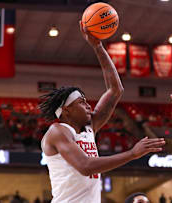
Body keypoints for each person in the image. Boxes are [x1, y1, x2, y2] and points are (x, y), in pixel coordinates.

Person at [39, 20, 165, 203]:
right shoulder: (58, 132)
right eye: (82, 103)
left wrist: (98, 46)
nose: (89, 106)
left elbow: (116, 90)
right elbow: (85, 166)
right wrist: (132, 153)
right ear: (66, 110)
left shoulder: (89, 128)